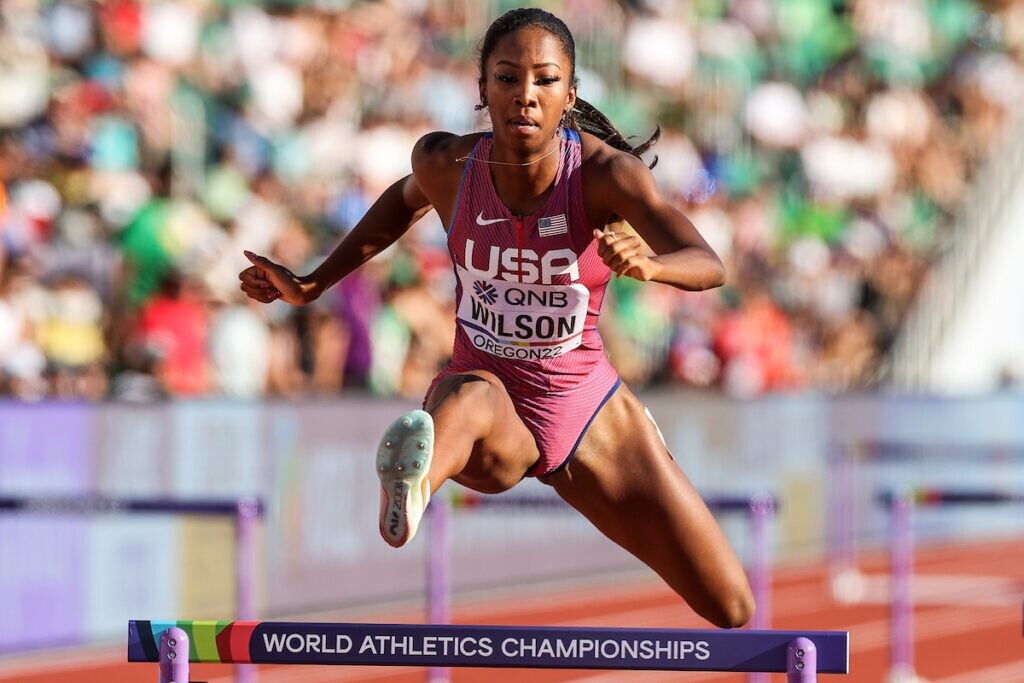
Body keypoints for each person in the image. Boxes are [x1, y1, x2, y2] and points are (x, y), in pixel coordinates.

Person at [239, 7, 754, 628]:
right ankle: (413, 485)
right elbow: (401, 203)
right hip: (485, 401)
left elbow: (708, 263)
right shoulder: (448, 165)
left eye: (544, 80)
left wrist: (653, 265)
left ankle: (422, 470)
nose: (525, 95)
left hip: (582, 405)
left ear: (570, 94)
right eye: (507, 78)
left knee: (731, 606)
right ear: (482, 90)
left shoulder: (604, 176)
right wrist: (311, 284)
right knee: (471, 397)